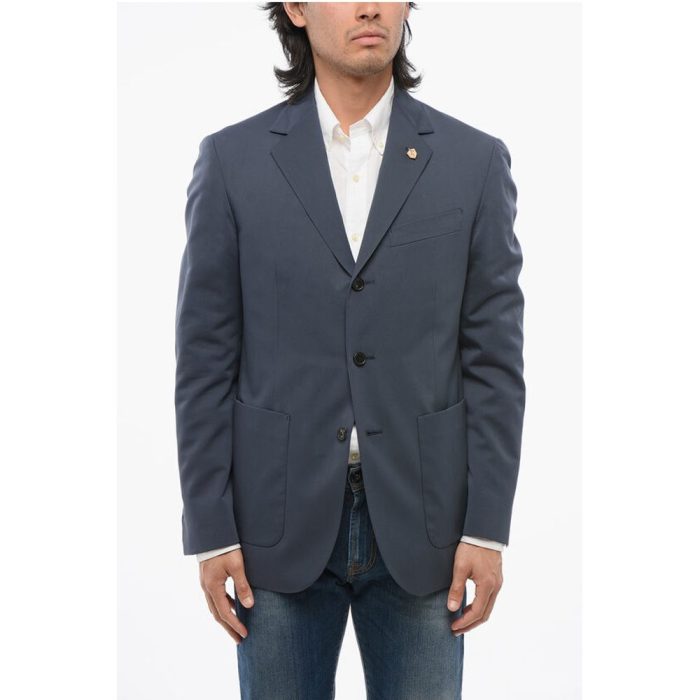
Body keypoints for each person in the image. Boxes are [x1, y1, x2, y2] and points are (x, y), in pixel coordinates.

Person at [174, 2, 526, 697]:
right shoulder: (233, 161)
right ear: (296, 9)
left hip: (427, 525)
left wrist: (487, 529)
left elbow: (494, 358)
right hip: (273, 523)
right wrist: (211, 529)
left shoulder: (474, 162)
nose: (370, 7)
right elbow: (204, 358)